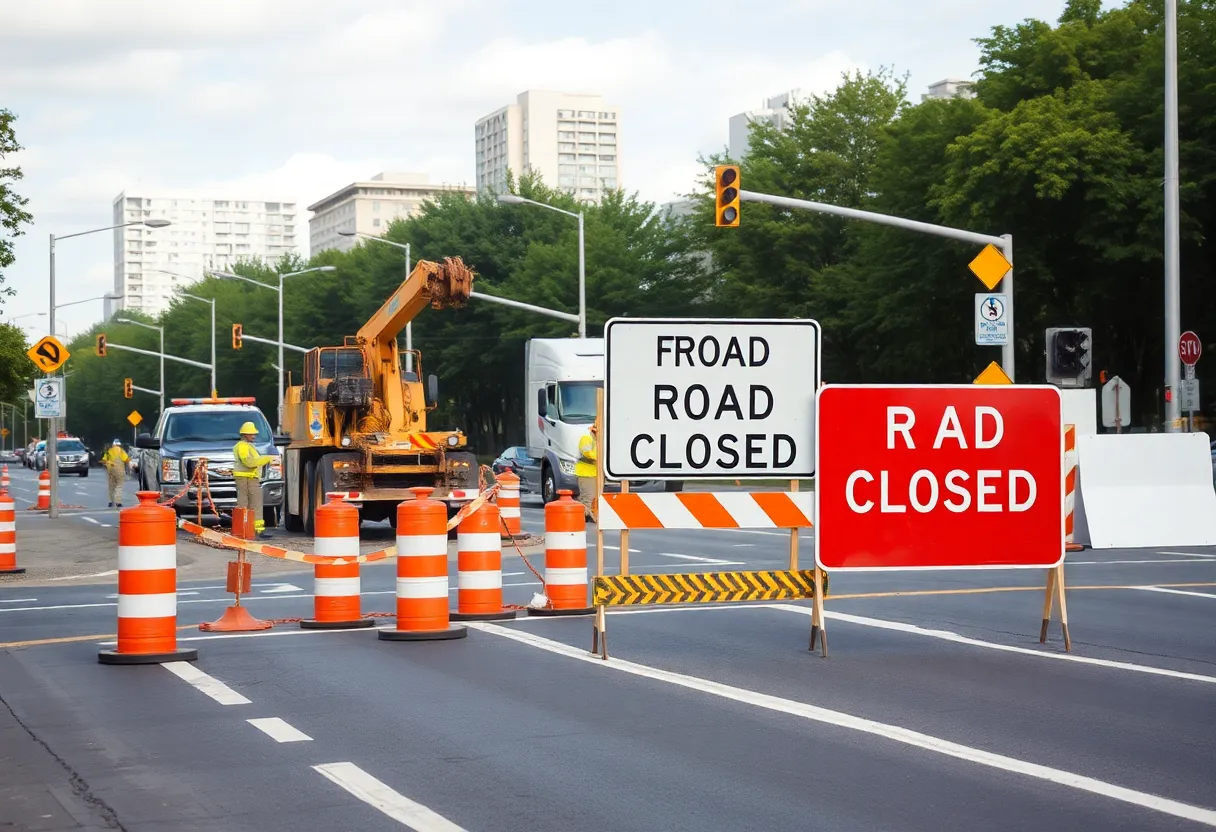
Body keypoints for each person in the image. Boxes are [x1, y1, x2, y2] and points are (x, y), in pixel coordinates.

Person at [232, 421, 275, 539]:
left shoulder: (248, 446)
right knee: (244, 503)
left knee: (255, 503)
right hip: (244, 478)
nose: (254, 436)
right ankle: (243, 529)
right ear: (245, 434)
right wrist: (266, 459)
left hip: (251, 478)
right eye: (252, 434)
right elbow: (249, 462)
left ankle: (257, 529)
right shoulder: (242, 447)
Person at [575, 424, 598, 522]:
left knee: (591, 497)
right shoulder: (587, 438)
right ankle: (581, 517)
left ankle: (588, 515)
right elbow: (587, 453)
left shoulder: (598, 439)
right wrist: (600, 457)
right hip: (585, 472)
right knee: (587, 498)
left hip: (593, 473)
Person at [100, 439, 129, 508]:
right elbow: (126, 460)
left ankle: (111, 502)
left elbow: (104, 461)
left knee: (111, 487)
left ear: (113, 445)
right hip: (120, 470)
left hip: (111, 471)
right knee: (119, 485)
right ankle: (118, 502)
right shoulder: (121, 451)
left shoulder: (109, 451)